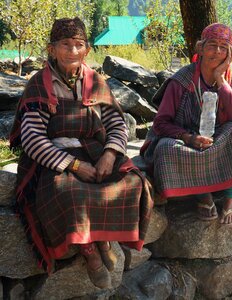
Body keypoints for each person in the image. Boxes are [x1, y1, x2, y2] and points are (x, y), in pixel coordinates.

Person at [9, 17, 153, 288]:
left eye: (78, 45)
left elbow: (116, 124)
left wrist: (110, 155)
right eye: (65, 45)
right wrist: (73, 166)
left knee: (133, 182)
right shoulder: (40, 85)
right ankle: (91, 254)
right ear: (52, 49)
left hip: (97, 152)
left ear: (87, 49)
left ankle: (104, 238)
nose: (72, 51)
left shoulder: (96, 81)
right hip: (56, 159)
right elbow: (32, 139)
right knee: (70, 193)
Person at [141, 23, 232, 225]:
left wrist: (221, 80)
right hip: (186, 140)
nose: (217, 51)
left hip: (216, 140)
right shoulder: (181, 80)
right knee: (165, 148)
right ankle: (203, 194)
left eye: (224, 47)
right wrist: (189, 137)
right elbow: (160, 123)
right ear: (200, 48)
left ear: (230, 53)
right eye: (212, 45)